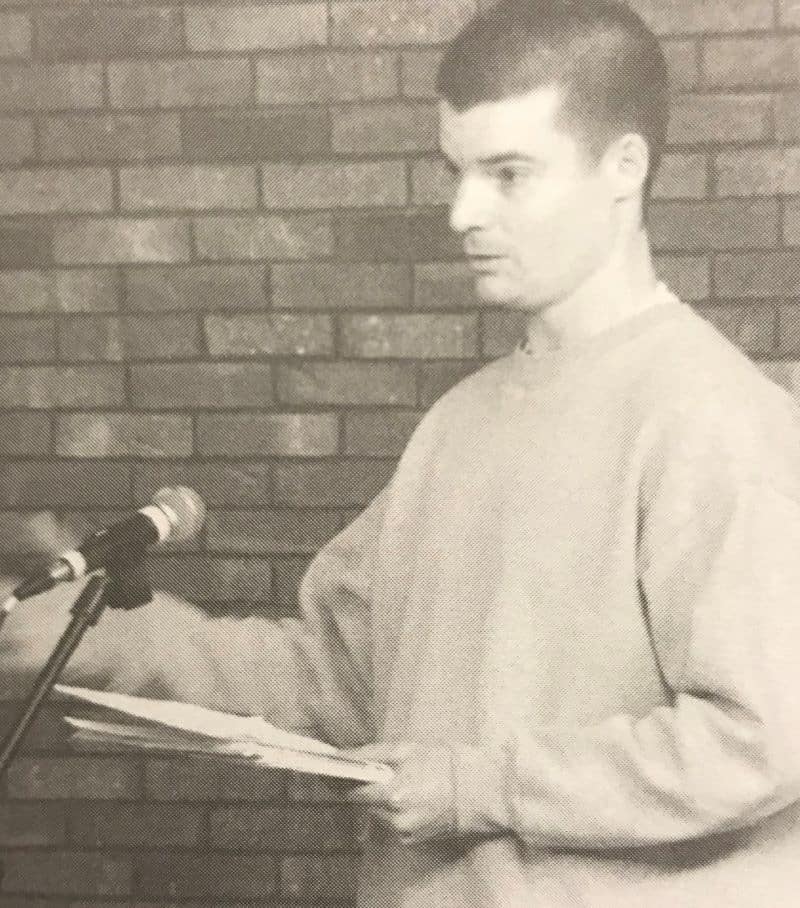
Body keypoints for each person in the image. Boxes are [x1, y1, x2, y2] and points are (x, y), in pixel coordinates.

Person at [3, 1, 800, 905]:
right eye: (456, 171)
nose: (463, 212)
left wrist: (477, 785)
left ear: (624, 168)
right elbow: (340, 678)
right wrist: (105, 636)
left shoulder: (714, 419)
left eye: (508, 173)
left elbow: (763, 738)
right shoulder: (460, 425)